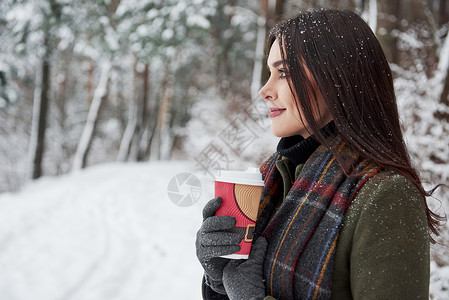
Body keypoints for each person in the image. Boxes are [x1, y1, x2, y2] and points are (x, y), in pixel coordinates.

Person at [196, 9, 443, 300]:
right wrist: (218, 278)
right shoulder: (272, 177)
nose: (265, 90)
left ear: (336, 78)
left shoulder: (386, 195)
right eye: (269, 73)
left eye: (284, 72)